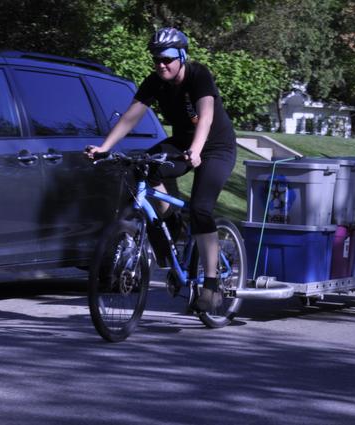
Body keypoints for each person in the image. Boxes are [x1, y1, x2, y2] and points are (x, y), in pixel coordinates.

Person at [85, 27, 237, 313]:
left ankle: (212, 285)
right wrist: (105, 146)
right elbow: (131, 116)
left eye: (166, 59)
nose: (161, 65)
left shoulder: (198, 74)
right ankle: (171, 222)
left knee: (202, 209)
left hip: (216, 146)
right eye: (156, 60)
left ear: (181, 55)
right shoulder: (155, 81)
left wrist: (197, 149)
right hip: (181, 143)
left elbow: (206, 115)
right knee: (140, 169)